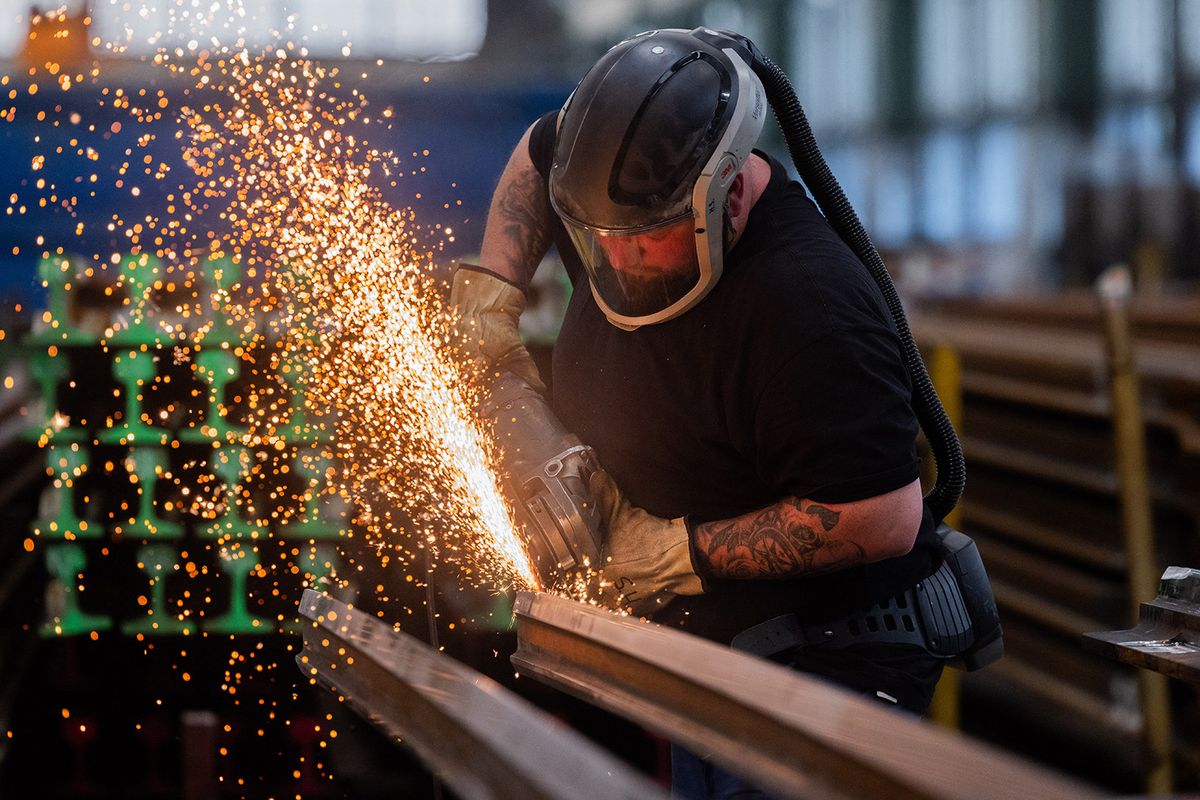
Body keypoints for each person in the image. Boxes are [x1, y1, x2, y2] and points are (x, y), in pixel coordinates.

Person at [452, 28, 946, 799]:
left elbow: (882, 514)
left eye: (645, 241)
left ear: (729, 192)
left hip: (820, 666)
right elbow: (541, 148)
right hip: (709, 646)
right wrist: (493, 297)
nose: (614, 261)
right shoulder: (619, 190)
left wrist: (675, 554)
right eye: (600, 237)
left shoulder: (812, 307)